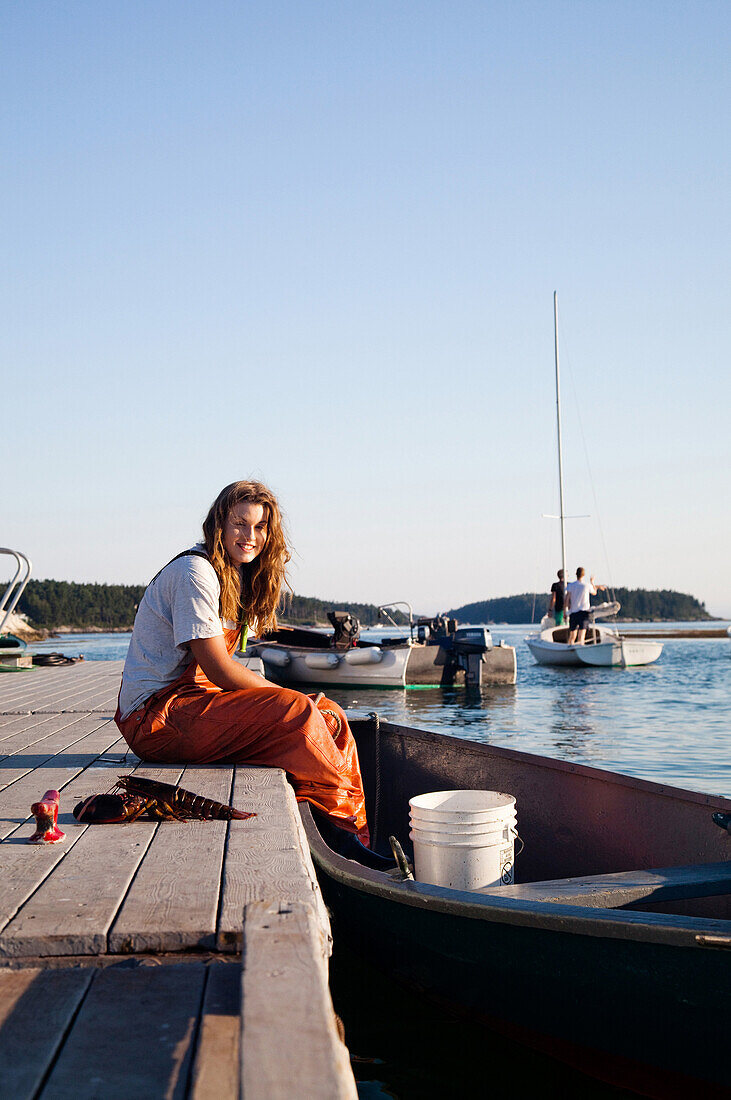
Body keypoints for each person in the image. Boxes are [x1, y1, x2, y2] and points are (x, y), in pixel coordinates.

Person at [115, 479, 388, 867]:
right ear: (219, 525)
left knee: (330, 715)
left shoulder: (234, 575)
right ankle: (338, 842)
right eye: (240, 523)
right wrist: (287, 697)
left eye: (260, 526)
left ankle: (351, 839)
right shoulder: (196, 573)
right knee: (298, 714)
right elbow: (219, 668)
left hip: (194, 704)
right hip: (155, 718)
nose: (250, 535)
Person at [566, 567, 607, 645]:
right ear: (584, 575)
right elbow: (594, 592)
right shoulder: (587, 585)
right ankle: (580, 648)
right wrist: (592, 582)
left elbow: (567, 599)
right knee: (581, 636)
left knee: (572, 636)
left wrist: (566, 611)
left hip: (573, 613)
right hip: (584, 613)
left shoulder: (571, 585)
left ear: (576, 574)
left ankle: (570, 649)